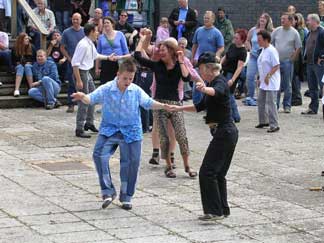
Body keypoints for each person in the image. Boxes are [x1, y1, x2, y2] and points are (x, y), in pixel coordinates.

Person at [71, 58, 173, 210]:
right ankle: (107, 191)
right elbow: (91, 98)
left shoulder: (136, 90)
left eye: (131, 79)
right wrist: (82, 97)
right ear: (118, 74)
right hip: (109, 129)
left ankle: (126, 196)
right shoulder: (107, 88)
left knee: (131, 163)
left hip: (131, 131)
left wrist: (163, 106)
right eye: (125, 78)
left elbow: (148, 102)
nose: (127, 81)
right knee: (99, 155)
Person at [169, 52, 238, 221]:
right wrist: (179, 109)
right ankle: (222, 209)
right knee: (218, 173)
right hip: (226, 133)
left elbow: (219, 92)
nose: (199, 73)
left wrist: (205, 89)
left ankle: (214, 211)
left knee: (207, 172)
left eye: (200, 69)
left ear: (208, 68)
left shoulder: (218, 82)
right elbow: (200, 106)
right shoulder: (212, 83)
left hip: (225, 132)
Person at [135, 34, 197, 178]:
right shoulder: (157, 65)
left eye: (163, 50)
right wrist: (142, 38)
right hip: (160, 104)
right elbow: (138, 56)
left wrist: (181, 61)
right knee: (164, 137)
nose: (160, 52)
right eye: (160, 49)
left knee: (181, 135)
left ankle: (187, 166)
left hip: (176, 104)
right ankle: (168, 166)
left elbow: (187, 78)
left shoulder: (178, 65)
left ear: (171, 51)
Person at [72, 23, 112, 138]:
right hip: (81, 72)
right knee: (84, 100)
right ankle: (79, 128)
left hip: (87, 72)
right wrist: (79, 80)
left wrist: (108, 57)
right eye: (96, 31)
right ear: (91, 32)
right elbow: (75, 64)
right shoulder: (83, 45)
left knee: (93, 97)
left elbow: (96, 56)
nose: (98, 33)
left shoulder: (90, 43)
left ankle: (89, 122)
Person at [271, 12, 302, 113]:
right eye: (281, 19)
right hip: (276, 62)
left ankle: (287, 105)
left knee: (287, 84)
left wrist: (293, 59)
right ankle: (276, 105)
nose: (282, 21)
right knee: (277, 84)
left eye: (284, 19)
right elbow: (270, 43)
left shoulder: (294, 32)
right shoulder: (277, 31)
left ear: (290, 21)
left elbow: (298, 47)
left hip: (288, 62)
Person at [245, 13, 274, 106]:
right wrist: (250, 49)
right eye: (261, 17)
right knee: (249, 76)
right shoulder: (253, 30)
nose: (262, 19)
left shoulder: (270, 32)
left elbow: (272, 44)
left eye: (264, 18)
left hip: (264, 58)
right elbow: (247, 40)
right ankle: (250, 96)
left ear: (267, 21)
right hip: (253, 57)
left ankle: (263, 97)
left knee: (263, 77)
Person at [256, 30, 281, 133]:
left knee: (271, 102)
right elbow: (261, 65)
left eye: (260, 40)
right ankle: (263, 120)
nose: (258, 42)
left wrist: (268, 76)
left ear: (266, 40)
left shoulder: (271, 50)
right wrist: (259, 77)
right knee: (261, 101)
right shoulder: (263, 50)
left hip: (271, 81)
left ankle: (274, 124)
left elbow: (276, 65)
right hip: (263, 81)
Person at [221, 29, 248, 123]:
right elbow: (226, 56)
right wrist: (219, 65)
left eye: (237, 38)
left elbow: (239, 67)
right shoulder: (232, 46)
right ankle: (233, 116)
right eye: (235, 37)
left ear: (242, 40)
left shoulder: (243, 52)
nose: (235, 39)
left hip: (232, 74)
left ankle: (235, 116)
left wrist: (232, 79)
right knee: (226, 94)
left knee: (229, 94)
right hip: (224, 71)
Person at [61, 13, 85, 113]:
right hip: (72, 62)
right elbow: (62, 48)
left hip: (83, 62)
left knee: (84, 83)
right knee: (71, 83)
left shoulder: (85, 31)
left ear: (81, 20)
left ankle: (83, 103)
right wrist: (69, 58)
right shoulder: (66, 32)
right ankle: (70, 104)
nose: (75, 21)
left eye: (77, 19)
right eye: (74, 19)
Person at [96, 16, 130, 85]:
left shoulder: (120, 34)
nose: (106, 24)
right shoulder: (101, 37)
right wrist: (97, 68)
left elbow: (127, 54)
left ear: (112, 24)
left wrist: (119, 57)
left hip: (118, 63)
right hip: (105, 63)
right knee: (105, 84)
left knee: (118, 84)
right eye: (104, 23)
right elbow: (98, 54)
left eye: (107, 22)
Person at [301, 14, 324, 115]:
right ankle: (313, 108)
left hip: (319, 64)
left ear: (314, 21)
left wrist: (322, 56)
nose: (307, 22)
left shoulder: (322, 32)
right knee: (312, 87)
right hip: (309, 63)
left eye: (308, 20)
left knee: (322, 86)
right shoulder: (309, 33)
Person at [291, 13, 308, 106]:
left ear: (297, 21)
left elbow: (299, 44)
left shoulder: (300, 31)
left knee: (295, 77)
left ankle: (297, 98)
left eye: (292, 20)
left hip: (297, 59)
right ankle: (295, 97)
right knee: (293, 77)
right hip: (294, 57)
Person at [12, 33, 36, 97]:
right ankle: (16, 90)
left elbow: (35, 60)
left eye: (28, 38)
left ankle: (31, 88)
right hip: (19, 67)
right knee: (20, 67)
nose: (27, 40)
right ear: (21, 40)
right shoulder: (15, 48)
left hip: (30, 67)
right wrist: (17, 63)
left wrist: (30, 63)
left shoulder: (32, 47)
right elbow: (13, 61)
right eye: (26, 39)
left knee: (27, 66)